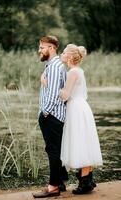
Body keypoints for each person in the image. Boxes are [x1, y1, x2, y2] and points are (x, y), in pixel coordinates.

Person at [60, 44, 103, 194]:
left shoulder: (72, 72)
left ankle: (85, 184)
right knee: (84, 142)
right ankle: (88, 180)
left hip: (76, 109)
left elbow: (65, 95)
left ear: (70, 57)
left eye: (64, 52)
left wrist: (50, 86)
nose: (62, 54)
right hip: (81, 107)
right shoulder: (78, 70)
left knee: (81, 143)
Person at [33, 36, 68, 198]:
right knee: (55, 150)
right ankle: (60, 182)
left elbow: (54, 94)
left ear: (52, 48)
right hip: (53, 115)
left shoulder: (54, 67)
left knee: (53, 151)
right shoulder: (52, 65)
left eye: (42, 47)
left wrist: (44, 113)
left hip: (52, 115)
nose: (39, 50)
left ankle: (53, 187)